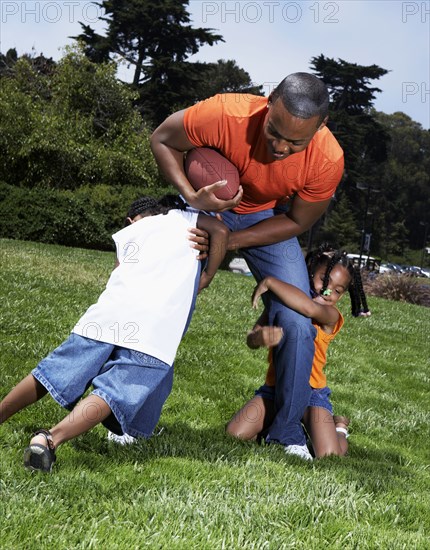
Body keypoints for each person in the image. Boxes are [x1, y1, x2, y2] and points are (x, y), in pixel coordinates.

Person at [150, 72, 345, 456]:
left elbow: (296, 221)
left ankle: (286, 432)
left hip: (264, 222)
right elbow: (162, 139)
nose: (280, 146)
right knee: (170, 304)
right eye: (274, 132)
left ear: (321, 127)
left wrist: (230, 241)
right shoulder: (226, 113)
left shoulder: (327, 159)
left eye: (295, 142)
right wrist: (193, 196)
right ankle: (131, 417)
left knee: (296, 322)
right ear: (268, 100)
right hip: (205, 206)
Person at [0, 195, 229, 472]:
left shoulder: (131, 233)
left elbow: (120, 269)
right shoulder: (185, 222)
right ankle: (50, 439)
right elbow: (221, 230)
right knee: (111, 393)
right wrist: (208, 275)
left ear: (132, 219)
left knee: (52, 372)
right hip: (154, 333)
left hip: (107, 316)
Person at [226, 243, 370, 460]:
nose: (328, 291)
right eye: (325, 279)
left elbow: (308, 308)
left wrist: (271, 281)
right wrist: (260, 337)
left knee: (330, 454)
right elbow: (251, 340)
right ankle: (278, 423)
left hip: (313, 394)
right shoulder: (281, 304)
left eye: (338, 290)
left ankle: (339, 428)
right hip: (275, 389)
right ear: (310, 270)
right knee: (234, 434)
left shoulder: (330, 314)